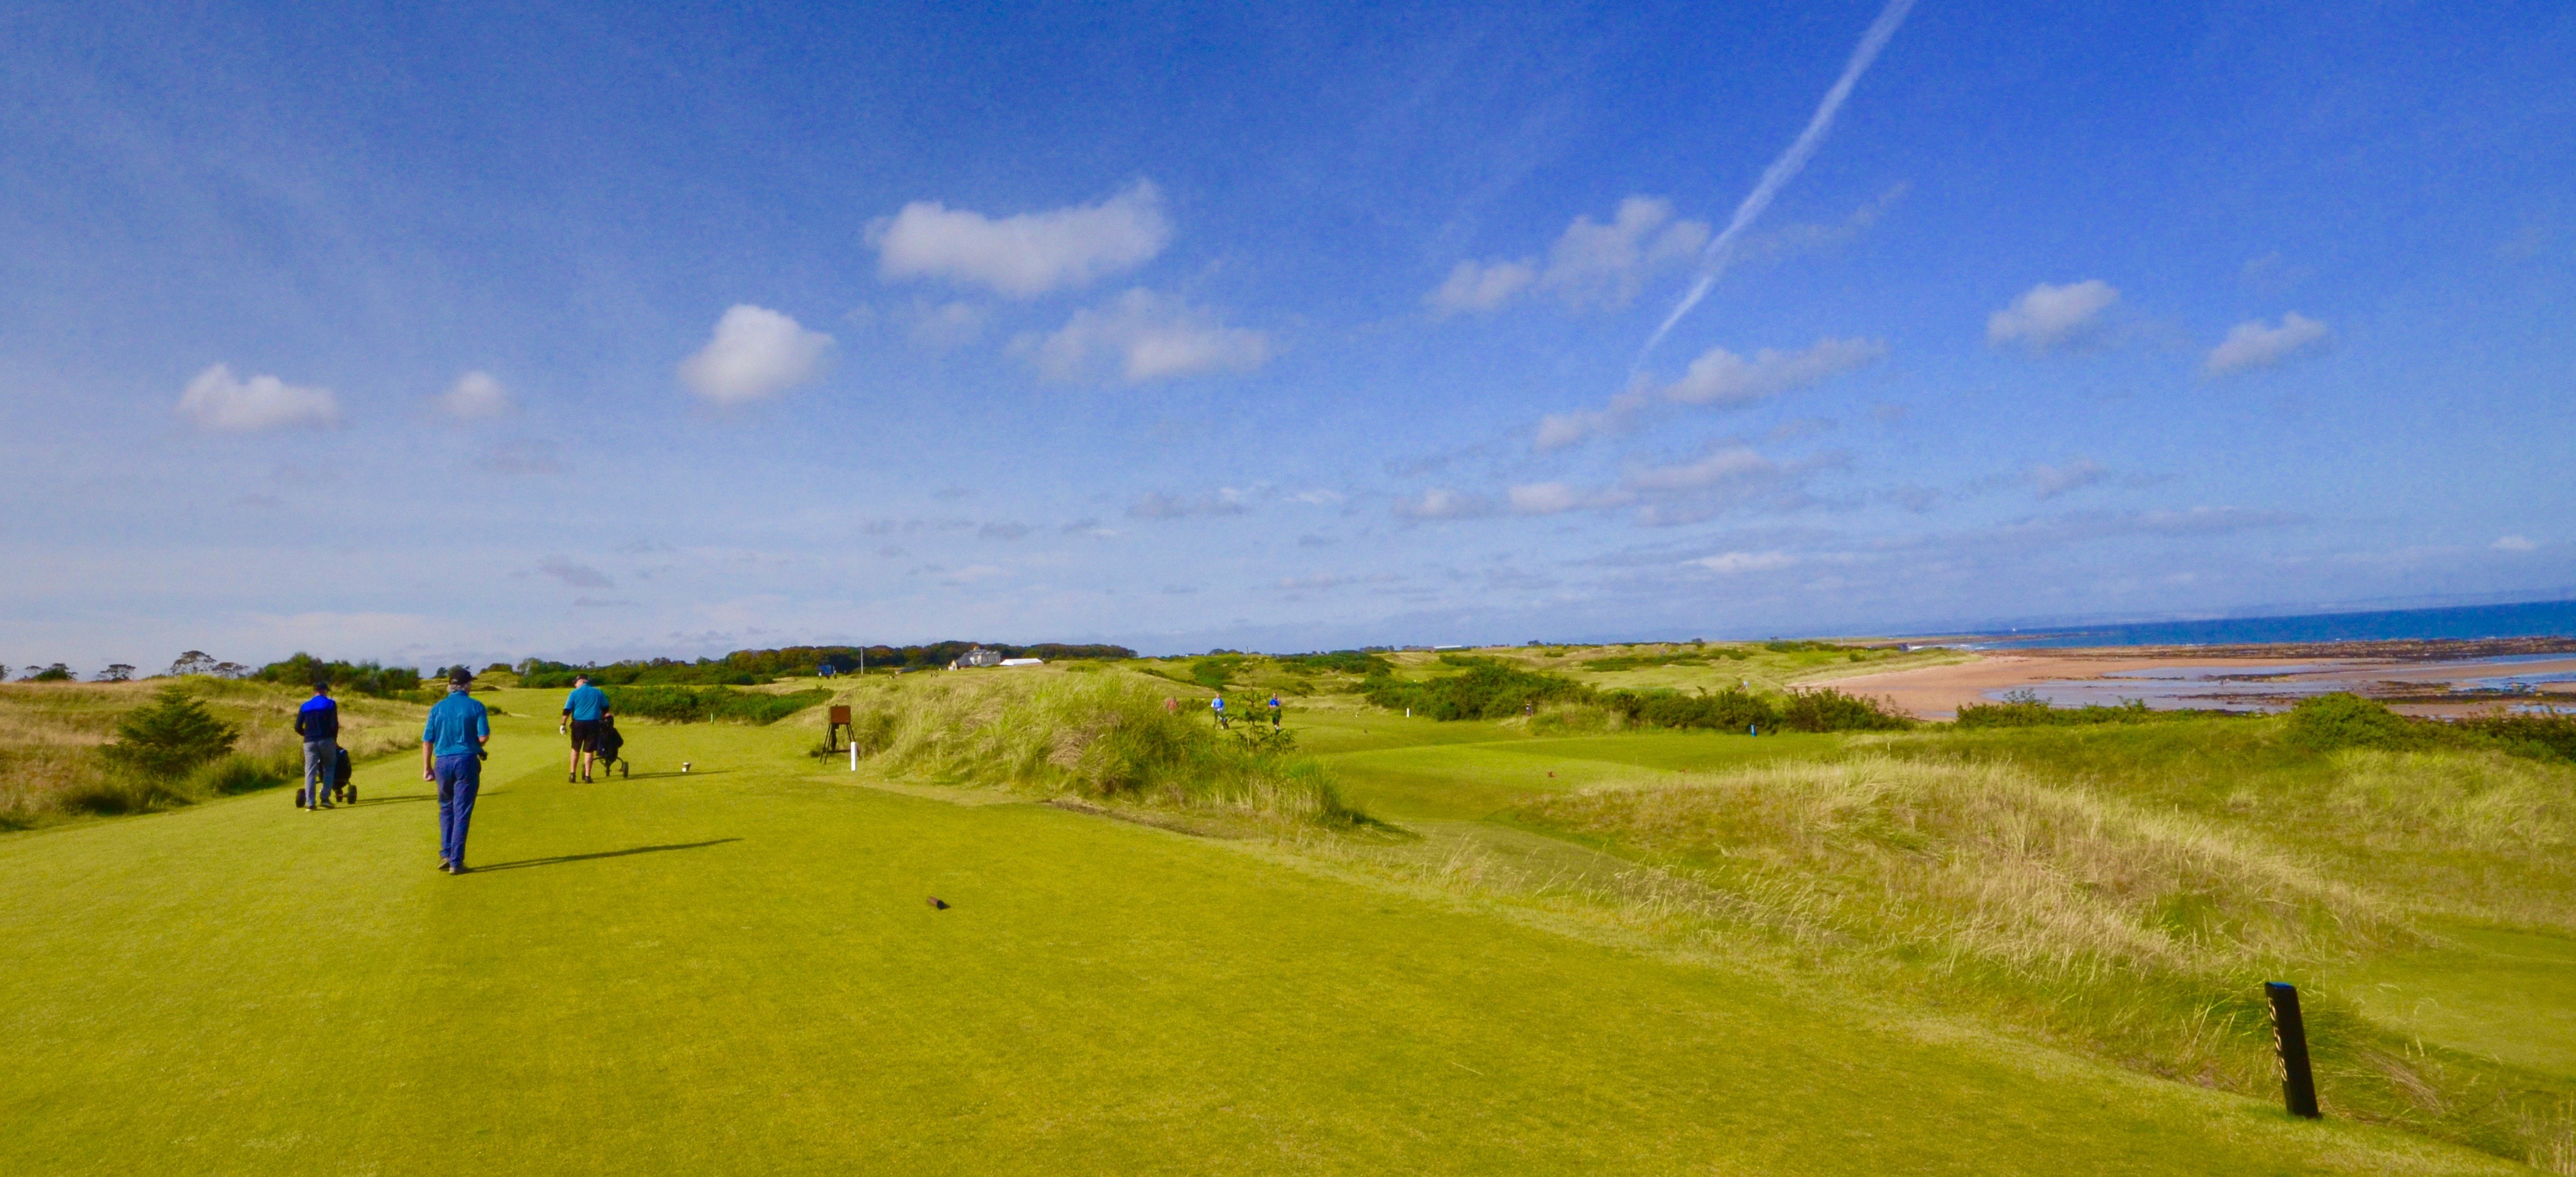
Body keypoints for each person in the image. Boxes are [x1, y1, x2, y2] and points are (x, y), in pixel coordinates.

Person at [421, 667, 492, 874]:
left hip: (442, 761)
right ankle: (456, 861)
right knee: (462, 810)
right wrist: (477, 747)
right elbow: (484, 736)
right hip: (466, 760)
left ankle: (446, 853)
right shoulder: (476, 706)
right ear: (467, 685)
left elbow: (428, 741)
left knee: (446, 808)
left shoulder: (437, 708)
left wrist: (427, 766)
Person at [560, 673, 613, 783]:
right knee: (589, 750)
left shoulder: (574, 693)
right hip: (593, 723)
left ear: (582, 681)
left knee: (575, 748)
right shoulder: (598, 692)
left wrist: (563, 724)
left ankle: (572, 774)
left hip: (578, 723)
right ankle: (588, 776)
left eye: (576, 682)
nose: (575, 684)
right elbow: (606, 707)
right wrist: (602, 716)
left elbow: (567, 711)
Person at [295, 680, 339, 810]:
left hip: (309, 741)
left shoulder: (305, 706)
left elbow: (297, 727)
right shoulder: (331, 703)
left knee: (310, 771)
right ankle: (325, 798)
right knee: (329, 767)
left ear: (314, 691)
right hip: (326, 739)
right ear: (325, 691)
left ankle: (310, 802)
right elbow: (334, 725)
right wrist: (334, 739)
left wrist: (306, 735)